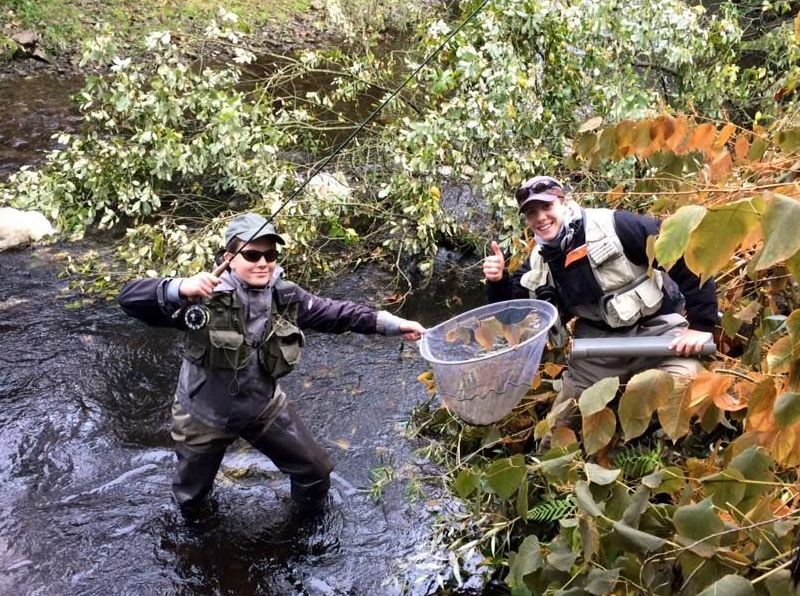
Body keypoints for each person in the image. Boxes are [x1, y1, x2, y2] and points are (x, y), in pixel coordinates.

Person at [119, 212, 425, 515]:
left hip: (262, 406)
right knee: (191, 499)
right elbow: (129, 299)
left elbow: (337, 313)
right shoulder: (199, 295)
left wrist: (394, 324)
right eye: (252, 255)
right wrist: (178, 287)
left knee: (315, 472)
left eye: (270, 255)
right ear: (230, 258)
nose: (263, 263)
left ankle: (303, 531)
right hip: (203, 413)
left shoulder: (285, 294)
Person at [483, 176, 718, 442]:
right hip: (597, 348)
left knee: (685, 388)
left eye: (546, 207)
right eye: (531, 213)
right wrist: (498, 281)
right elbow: (513, 316)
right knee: (556, 430)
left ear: (564, 203)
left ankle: (660, 446)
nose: (540, 218)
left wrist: (702, 324)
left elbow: (682, 255)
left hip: (658, 332)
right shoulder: (537, 263)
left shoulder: (617, 225)